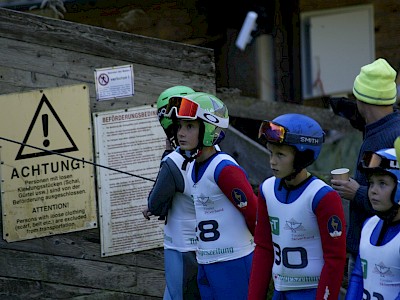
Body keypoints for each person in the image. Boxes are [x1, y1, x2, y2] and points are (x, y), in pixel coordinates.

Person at [166, 92, 257, 300]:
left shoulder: (223, 168)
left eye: (190, 126)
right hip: (206, 261)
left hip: (233, 260)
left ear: (209, 129)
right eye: (179, 126)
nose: (181, 133)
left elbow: (254, 212)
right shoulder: (191, 167)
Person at [248, 113, 347, 300]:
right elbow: (263, 247)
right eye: (271, 152)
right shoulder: (267, 189)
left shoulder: (323, 196)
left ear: (302, 155)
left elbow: (335, 260)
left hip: (311, 292)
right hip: (280, 291)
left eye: (280, 154)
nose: (272, 161)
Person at [330, 58, 400, 279]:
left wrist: (356, 192)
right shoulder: (382, 129)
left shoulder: (390, 137)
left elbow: (396, 199)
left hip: (380, 251)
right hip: (370, 245)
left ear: (362, 100)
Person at [142, 85, 201, 300]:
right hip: (207, 246)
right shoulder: (214, 155)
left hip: (181, 248)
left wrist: (167, 154)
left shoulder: (173, 161)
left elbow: (156, 204)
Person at [345, 147, 400, 300]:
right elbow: (357, 279)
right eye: (371, 183)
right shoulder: (369, 225)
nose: (373, 190)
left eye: (382, 183)